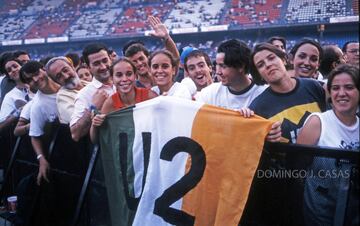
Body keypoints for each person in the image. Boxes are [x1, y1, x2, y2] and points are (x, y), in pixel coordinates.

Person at [297, 64, 359, 226]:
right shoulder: (318, 122)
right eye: (336, 88)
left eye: (349, 87)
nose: (341, 93)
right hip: (321, 209)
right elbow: (296, 169)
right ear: (330, 93)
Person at [249, 42, 327, 143]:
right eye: (261, 65)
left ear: (284, 60)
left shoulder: (313, 86)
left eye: (271, 58)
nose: (268, 64)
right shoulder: (257, 108)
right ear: (259, 74)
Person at [90, 58, 157, 143]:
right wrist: (94, 125)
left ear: (135, 76)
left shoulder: (150, 96)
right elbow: (95, 140)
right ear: (112, 79)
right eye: (119, 75)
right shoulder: (110, 103)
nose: (124, 79)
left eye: (129, 74)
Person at [19, 61, 60, 185]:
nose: (36, 79)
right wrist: (41, 159)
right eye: (30, 79)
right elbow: (35, 136)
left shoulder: (63, 80)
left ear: (44, 69)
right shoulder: (38, 105)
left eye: (37, 73)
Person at [195, 39, 266, 110]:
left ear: (240, 66)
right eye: (217, 65)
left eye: (223, 66)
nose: (218, 72)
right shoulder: (209, 94)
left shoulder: (264, 93)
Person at [70, 43, 115, 141]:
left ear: (110, 59)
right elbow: (75, 134)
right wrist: (93, 107)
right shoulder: (84, 94)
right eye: (96, 63)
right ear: (88, 67)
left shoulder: (125, 81)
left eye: (105, 60)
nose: (103, 67)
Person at [125, 16, 179, 88]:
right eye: (134, 61)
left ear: (148, 58)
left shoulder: (163, 76)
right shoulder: (132, 88)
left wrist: (166, 38)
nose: (139, 63)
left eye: (141, 58)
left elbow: (175, 59)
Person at [45, 57, 88, 124]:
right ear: (56, 81)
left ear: (72, 67)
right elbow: (77, 124)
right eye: (59, 76)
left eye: (65, 70)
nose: (66, 76)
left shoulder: (87, 84)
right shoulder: (63, 98)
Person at [0, 57, 31, 132]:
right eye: (9, 70)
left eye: (15, 66)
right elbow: (1, 125)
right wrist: (17, 113)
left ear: (22, 67)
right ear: (9, 76)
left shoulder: (37, 84)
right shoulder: (10, 96)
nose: (13, 70)